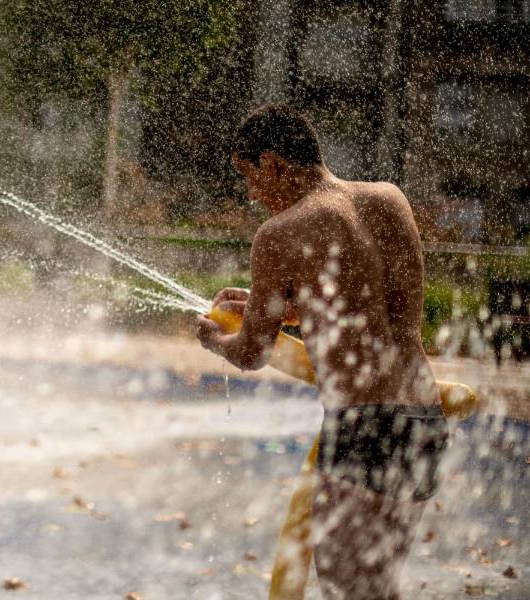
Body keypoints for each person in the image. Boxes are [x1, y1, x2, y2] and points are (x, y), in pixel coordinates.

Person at [195, 105, 448, 600]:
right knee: (378, 587)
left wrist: (212, 338)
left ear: (272, 164)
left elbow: (250, 353)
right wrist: (282, 310)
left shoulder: (280, 233)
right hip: (424, 421)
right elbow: (367, 308)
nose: (251, 194)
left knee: (347, 590)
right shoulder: (388, 199)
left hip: (364, 428)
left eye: (249, 177)